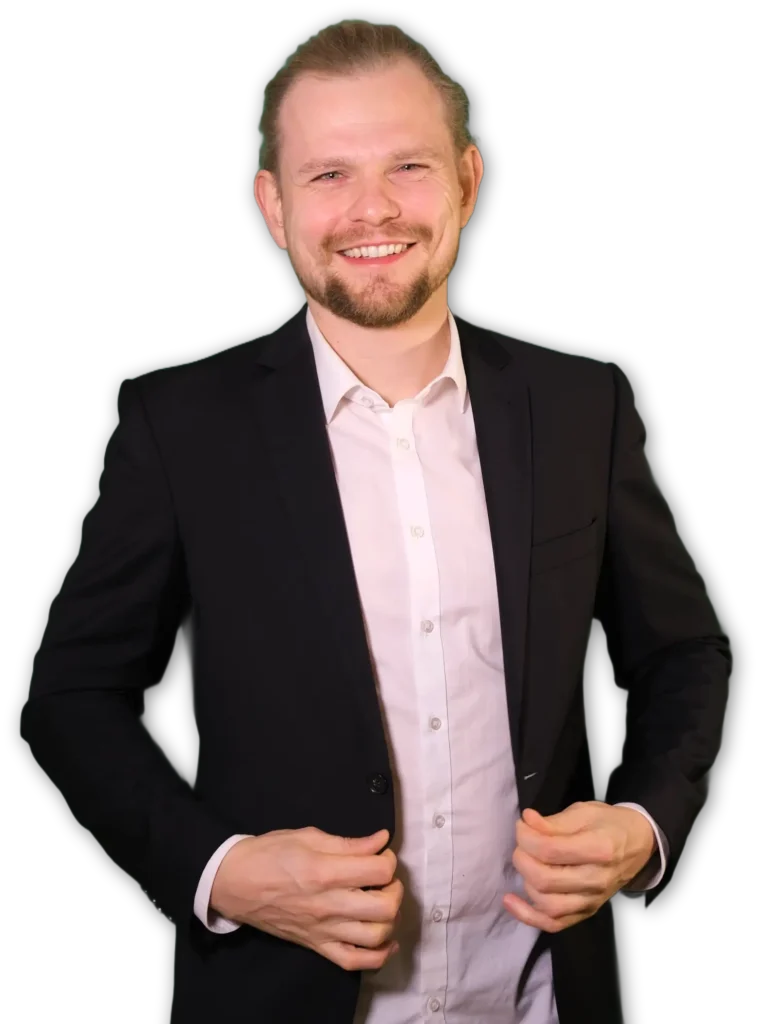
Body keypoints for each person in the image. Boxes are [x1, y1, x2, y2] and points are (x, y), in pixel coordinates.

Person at [20, 17, 731, 1024]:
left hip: (545, 1000)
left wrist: (642, 822)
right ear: (273, 207)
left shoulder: (584, 405)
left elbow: (684, 650)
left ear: (467, 183)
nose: (373, 208)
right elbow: (73, 696)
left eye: (408, 165)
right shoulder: (175, 426)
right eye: (328, 175)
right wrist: (219, 868)